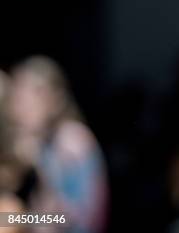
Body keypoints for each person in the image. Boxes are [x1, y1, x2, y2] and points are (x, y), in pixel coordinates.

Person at [4, 56, 109, 233]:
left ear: (53, 98)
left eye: (26, 99)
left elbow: (66, 217)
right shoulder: (46, 142)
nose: (18, 109)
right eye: (17, 98)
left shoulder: (69, 140)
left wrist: (16, 217)